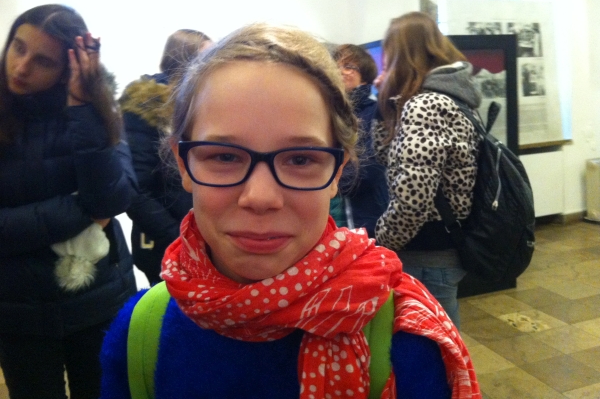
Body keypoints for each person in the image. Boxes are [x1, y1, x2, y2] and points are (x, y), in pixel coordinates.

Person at [100, 23, 480, 398]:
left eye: (300, 159)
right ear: (184, 164)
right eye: (225, 156)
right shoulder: (141, 334)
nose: (260, 197)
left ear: (338, 170)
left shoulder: (406, 343)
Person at [0, 4, 137, 399]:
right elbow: (98, 207)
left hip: (97, 298)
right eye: (18, 47)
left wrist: (83, 107)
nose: (21, 67)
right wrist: (82, 211)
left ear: (67, 68)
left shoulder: (97, 110)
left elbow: (113, 196)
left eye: (42, 60)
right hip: (18, 308)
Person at [373, 11, 482, 328]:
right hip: (444, 244)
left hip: (426, 250)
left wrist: (381, 242)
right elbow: (387, 156)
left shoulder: (426, 105)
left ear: (402, 54)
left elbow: (413, 198)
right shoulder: (452, 96)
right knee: (442, 335)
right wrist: (384, 104)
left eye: (388, 55)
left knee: (434, 342)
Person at [120, 29, 213, 285]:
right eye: (208, 56)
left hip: (204, 242)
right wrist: (179, 238)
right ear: (185, 59)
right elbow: (136, 190)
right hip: (164, 242)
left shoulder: (203, 104)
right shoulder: (146, 107)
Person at [332, 44, 389, 238]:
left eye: (348, 66)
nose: (340, 71)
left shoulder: (376, 111)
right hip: (332, 213)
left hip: (364, 216)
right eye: (336, 66)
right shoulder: (330, 111)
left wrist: (327, 181)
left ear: (364, 76)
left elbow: (371, 167)